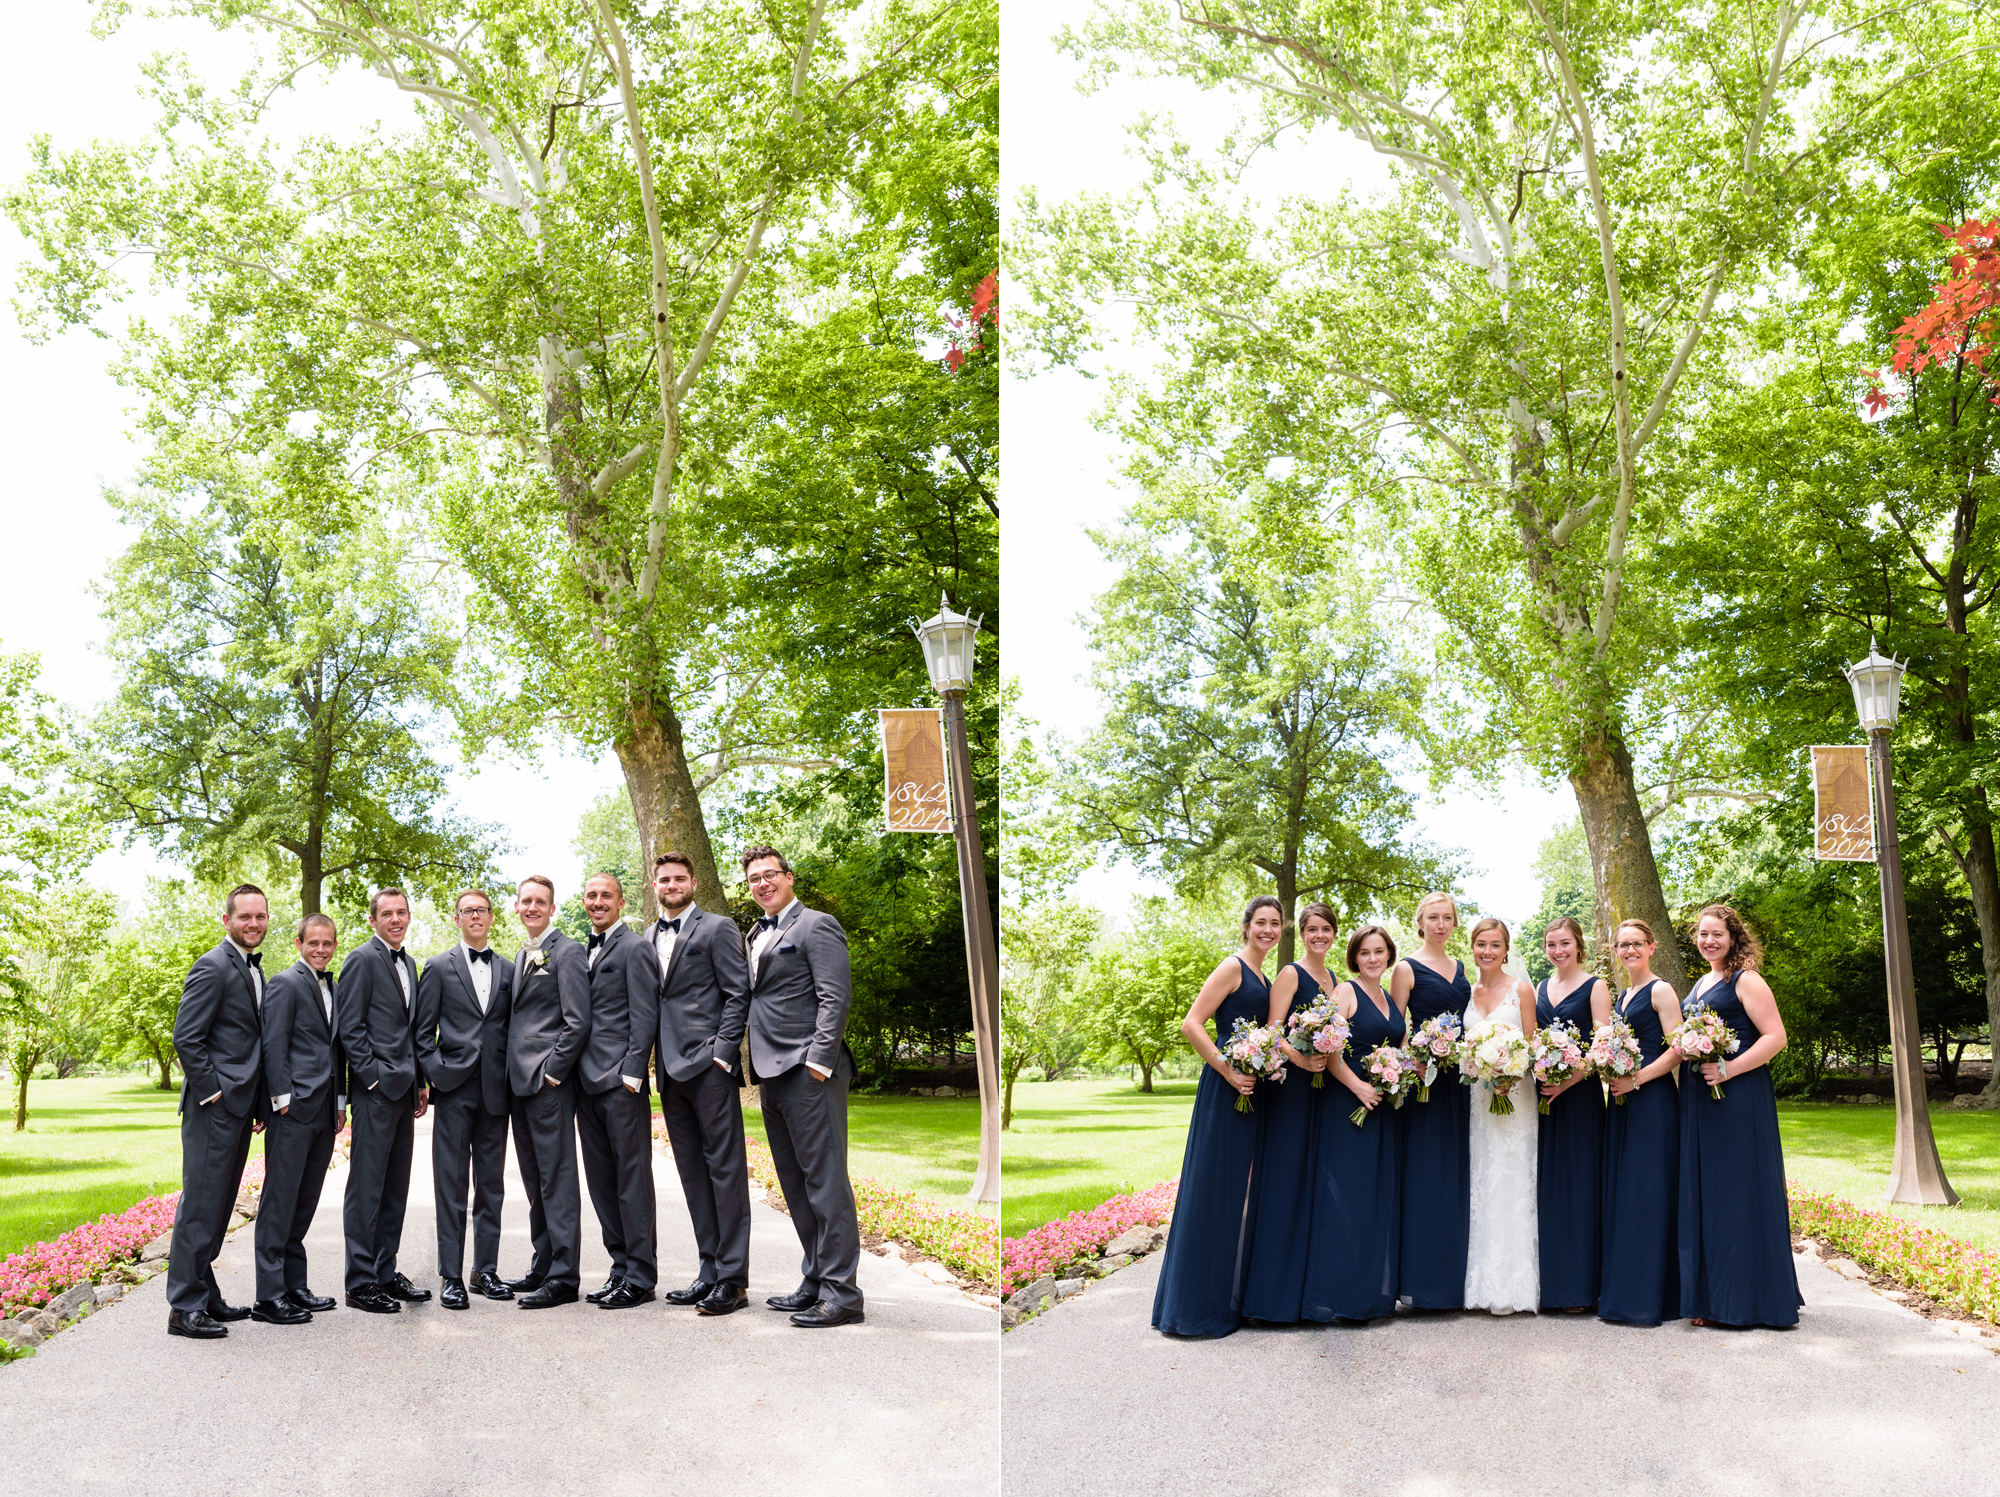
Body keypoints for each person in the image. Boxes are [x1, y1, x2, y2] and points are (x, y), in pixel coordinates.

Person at [742, 845, 865, 1328]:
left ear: (789, 877)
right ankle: (815, 1279)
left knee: (826, 1182)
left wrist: (818, 1062)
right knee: (795, 1184)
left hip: (809, 1071)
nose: (762, 884)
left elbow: (835, 996)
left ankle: (843, 1295)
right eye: (754, 878)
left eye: (770, 874)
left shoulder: (816, 924)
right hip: (771, 1074)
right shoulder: (756, 932)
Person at [1150, 896, 1283, 1338]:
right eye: (1260, 922)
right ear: (1246, 926)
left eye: (1275, 924)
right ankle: (1193, 1310)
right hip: (1226, 1088)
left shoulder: (1264, 974)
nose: (1267, 930)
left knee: (1240, 1195)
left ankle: (1228, 1298)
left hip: (1252, 1087)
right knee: (1214, 1189)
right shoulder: (1233, 967)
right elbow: (1192, 1023)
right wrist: (1226, 1069)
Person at [1678, 904, 1803, 1329]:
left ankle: (1744, 1303)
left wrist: (1729, 1068)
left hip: (1737, 1097)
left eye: (1717, 934)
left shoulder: (1745, 979)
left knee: (1736, 1195)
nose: (1708, 940)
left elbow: (1776, 1036)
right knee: (1711, 1195)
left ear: (1733, 938)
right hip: (1704, 1098)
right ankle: (1713, 1298)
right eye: (1702, 934)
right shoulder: (1701, 982)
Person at [650, 851, 754, 1316]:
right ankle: (708, 1270)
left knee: (725, 1172)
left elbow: (738, 993)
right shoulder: (648, 936)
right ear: (655, 886)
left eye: (678, 879)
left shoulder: (717, 928)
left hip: (709, 1069)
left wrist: (721, 1055)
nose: (671, 885)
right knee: (693, 1174)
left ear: (693, 883)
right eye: (663, 879)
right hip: (670, 1072)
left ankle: (733, 1280)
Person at [165, 884, 270, 1339]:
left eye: (260, 916)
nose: (253, 924)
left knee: (220, 1203)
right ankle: (183, 1308)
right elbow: (186, 1037)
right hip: (215, 1108)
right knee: (201, 1204)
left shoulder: (252, 969)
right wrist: (215, 1095)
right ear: (226, 919)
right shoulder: (212, 966)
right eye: (244, 916)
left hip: (240, 1107)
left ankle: (204, 1294)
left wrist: (255, 1100)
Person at [415, 889, 516, 1310]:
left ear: (492, 918)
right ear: (457, 918)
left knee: (491, 1186)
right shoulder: (438, 967)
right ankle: (451, 1275)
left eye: (482, 910)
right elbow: (422, 1035)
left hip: (497, 1091)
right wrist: (439, 1076)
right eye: (468, 910)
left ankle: (485, 1271)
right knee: (451, 1185)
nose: (475, 915)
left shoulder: (511, 970)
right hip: (454, 1091)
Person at [1301, 923, 1406, 1323]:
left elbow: (1399, 1046)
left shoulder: (1390, 999)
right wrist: (1360, 1087)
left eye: (1380, 952)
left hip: (1382, 1106)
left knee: (1373, 1196)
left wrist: (1394, 1076)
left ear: (1389, 955)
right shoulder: (1346, 991)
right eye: (1365, 953)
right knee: (1347, 1195)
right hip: (1349, 1106)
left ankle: (1370, 1293)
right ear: (1354, 958)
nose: (1373, 959)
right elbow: (1329, 1050)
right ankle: (1338, 1295)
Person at [335, 888, 430, 1313]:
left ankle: (385, 1272)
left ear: (410, 916)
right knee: (366, 1188)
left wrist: (420, 1082)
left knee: (394, 1188)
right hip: (376, 1095)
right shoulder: (360, 959)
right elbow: (349, 1028)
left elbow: (411, 1032)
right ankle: (360, 1282)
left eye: (401, 912)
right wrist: (371, 1080)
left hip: (405, 1092)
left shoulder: (409, 963)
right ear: (372, 920)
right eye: (386, 914)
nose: (395, 919)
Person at [1239, 903, 1334, 1323]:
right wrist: (1300, 1059)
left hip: (1323, 1090)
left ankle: (1307, 1292)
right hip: (1292, 1089)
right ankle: (1270, 1299)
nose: (1319, 936)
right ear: (1303, 933)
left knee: (1313, 1185)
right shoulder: (1290, 974)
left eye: (1325, 929)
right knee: (1285, 1183)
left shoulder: (1335, 980)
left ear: (1333, 934)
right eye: (1312, 929)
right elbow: (1272, 1031)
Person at [250, 912, 347, 1326]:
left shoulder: (335, 986)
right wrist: (281, 1099)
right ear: (299, 944)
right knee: (279, 1201)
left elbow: (336, 1048)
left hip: (325, 1110)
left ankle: (294, 1285)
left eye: (327, 943)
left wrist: (341, 1102)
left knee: (305, 1201)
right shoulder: (285, 984)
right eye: (314, 943)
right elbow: (274, 1045)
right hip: (293, 1109)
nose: (321, 949)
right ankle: (269, 1297)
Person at [577, 872, 661, 1310]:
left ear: (621, 902)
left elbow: (645, 1014)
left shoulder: (635, 948)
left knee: (631, 1180)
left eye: (605, 895)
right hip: (584, 1085)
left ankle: (642, 1275)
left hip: (620, 1084)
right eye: (591, 895)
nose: (597, 901)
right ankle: (620, 1267)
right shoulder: (580, 950)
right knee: (602, 1183)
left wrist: (632, 1073)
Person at [506, 875, 591, 1309]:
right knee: (535, 1177)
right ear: (517, 907)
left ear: (552, 908)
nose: (533, 907)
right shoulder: (522, 954)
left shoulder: (568, 951)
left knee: (557, 1176)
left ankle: (564, 1275)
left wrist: (553, 1074)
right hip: (519, 1085)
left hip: (547, 1084)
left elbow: (578, 1021)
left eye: (541, 902)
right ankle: (543, 1262)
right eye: (526, 901)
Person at [1597, 918, 1682, 1327]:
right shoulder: (1622, 995)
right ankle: (1626, 1290)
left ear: (1652, 947)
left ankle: (1651, 1298)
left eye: (1636, 943)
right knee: (1628, 1192)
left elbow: (1678, 1049)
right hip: (1624, 1101)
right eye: (1622, 945)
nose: (1629, 950)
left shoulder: (1661, 990)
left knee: (1648, 1193)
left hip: (1653, 1102)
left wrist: (1636, 1079)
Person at [1391, 891, 1471, 1309]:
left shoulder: (1463, 969)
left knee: (1454, 1174)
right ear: (1420, 922)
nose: (1440, 925)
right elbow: (1395, 1023)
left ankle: (1451, 1281)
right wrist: (1414, 1059)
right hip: (1424, 1082)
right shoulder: (1405, 968)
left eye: (1447, 918)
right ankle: (1420, 1283)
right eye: (1433, 918)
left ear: (1455, 923)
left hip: (1458, 1082)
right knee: (1424, 1175)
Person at [1462, 916, 1539, 1315]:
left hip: (1515, 1097)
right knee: (1482, 1180)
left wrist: (1512, 1072)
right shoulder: (1467, 992)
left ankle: (1517, 1287)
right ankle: (1482, 1283)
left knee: (1512, 1180)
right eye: (1481, 944)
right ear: (1472, 947)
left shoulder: (1521, 990)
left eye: (1495, 944)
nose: (1487, 951)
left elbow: (1533, 1046)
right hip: (1479, 1099)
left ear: (1506, 949)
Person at [1535, 916, 1611, 1312]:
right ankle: (1552, 1284)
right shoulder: (1540, 987)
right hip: (1546, 1099)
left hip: (1579, 1099)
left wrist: (1567, 1081)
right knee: (1550, 1188)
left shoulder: (1596, 986)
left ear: (1578, 945)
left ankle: (1580, 1288)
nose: (1558, 951)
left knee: (1580, 1186)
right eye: (1551, 944)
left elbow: (1603, 1049)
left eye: (1564, 943)